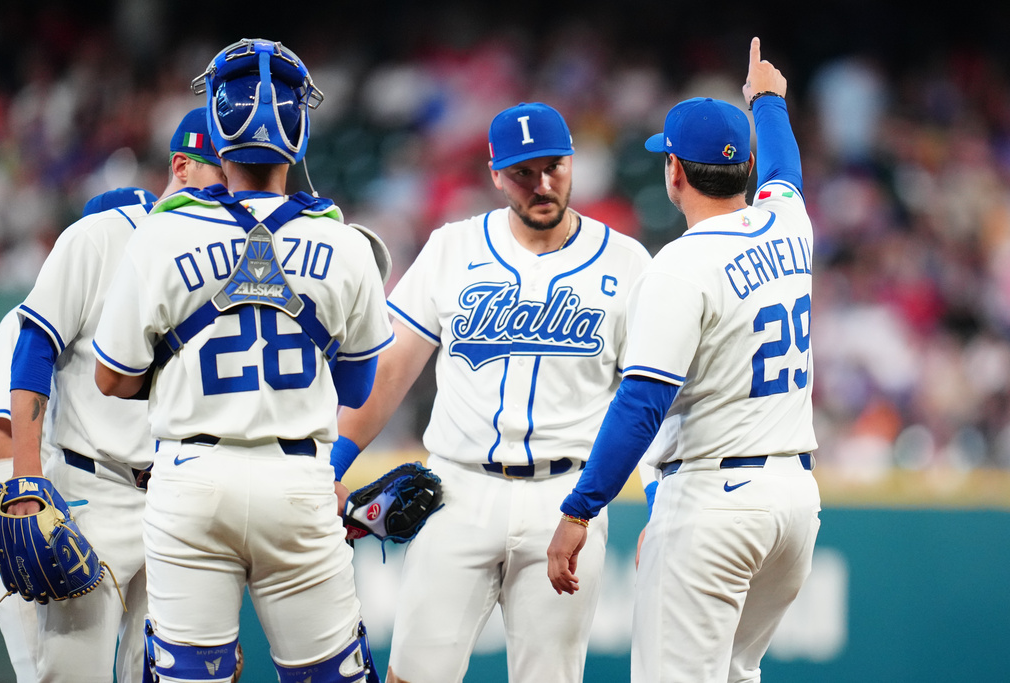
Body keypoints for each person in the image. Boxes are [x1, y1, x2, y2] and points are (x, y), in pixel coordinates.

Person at [92, 38, 392, 683]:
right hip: (297, 481)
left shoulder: (162, 235)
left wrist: (184, 360)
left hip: (190, 477)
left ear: (218, 133)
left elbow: (111, 377)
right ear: (299, 130)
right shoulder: (345, 241)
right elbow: (359, 387)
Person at [334, 100, 652, 683]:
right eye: (523, 172)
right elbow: (391, 372)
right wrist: (334, 462)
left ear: (574, 162)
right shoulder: (453, 247)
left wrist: (657, 508)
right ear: (495, 173)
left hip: (567, 498)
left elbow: (649, 401)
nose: (542, 184)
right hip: (458, 487)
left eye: (553, 166)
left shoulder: (629, 263)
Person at [547, 37, 822, 682]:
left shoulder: (680, 265)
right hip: (793, 505)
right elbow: (786, 171)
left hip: (715, 504)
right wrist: (770, 103)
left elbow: (641, 405)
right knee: (733, 674)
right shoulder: (790, 225)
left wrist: (579, 508)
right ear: (744, 168)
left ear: (674, 171)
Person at [6, 108, 225, 683]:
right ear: (182, 166)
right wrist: (27, 479)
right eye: (227, 173)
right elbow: (33, 351)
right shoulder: (100, 236)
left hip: (182, 494)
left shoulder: (229, 259)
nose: (241, 191)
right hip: (92, 490)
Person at [0, 187, 156, 683]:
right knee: (42, 669)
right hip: (28, 515)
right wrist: (28, 506)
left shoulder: (147, 316)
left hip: (120, 498)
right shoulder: (28, 325)